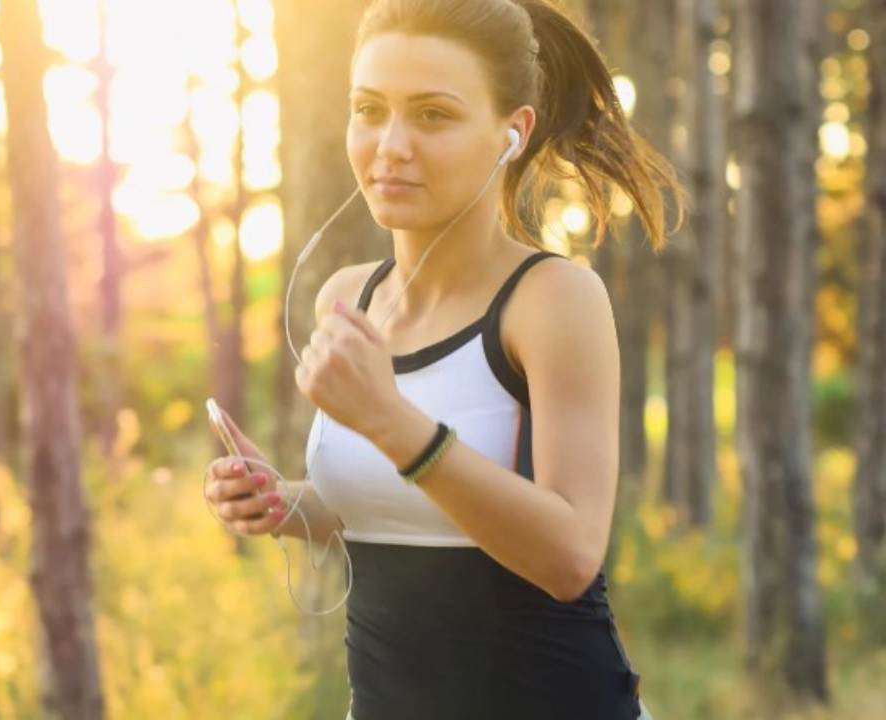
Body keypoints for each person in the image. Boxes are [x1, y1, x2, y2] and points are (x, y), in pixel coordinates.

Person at [205, 0, 683, 717]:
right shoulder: (346, 299)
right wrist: (284, 503)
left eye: (432, 115)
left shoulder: (552, 298)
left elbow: (570, 556)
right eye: (369, 109)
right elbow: (393, 513)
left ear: (512, 132)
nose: (390, 144)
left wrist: (394, 424)